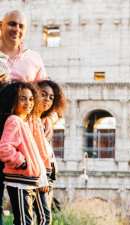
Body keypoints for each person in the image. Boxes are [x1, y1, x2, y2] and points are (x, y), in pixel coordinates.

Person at [0, 81, 50, 225]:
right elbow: (4, 149)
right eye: (22, 98)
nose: (28, 102)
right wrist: (22, 163)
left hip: (27, 180)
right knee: (24, 222)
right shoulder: (14, 121)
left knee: (28, 220)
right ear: (12, 100)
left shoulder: (24, 122)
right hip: (19, 181)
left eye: (31, 99)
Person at [34, 80, 66, 215]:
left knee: (45, 217)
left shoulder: (45, 120)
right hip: (37, 174)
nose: (47, 99)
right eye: (43, 94)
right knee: (42, 216)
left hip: (48, 172)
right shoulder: (30, 120)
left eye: (51, 97)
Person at [0, 10, 47, 82]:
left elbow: (42, 90)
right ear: (1, 26)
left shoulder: (34, 58)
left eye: (21, 26)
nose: (17, 29)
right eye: (12, 24)